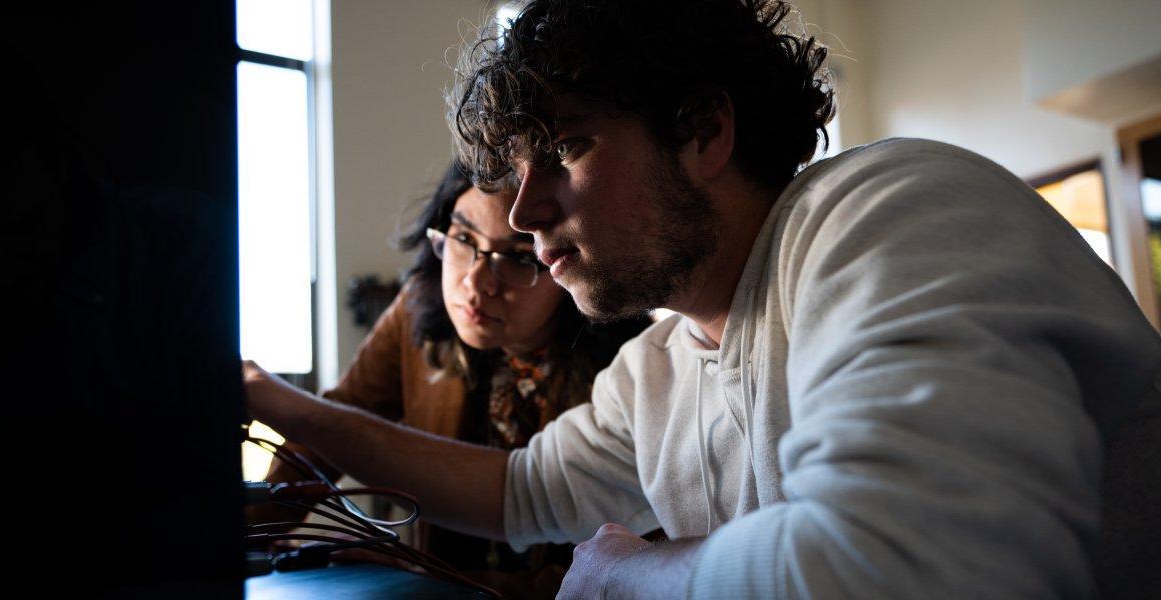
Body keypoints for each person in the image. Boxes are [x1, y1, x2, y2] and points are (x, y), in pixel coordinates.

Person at [247, 1, 1161, 597]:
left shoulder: (890, 210)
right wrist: (270, 399)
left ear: (703, 131)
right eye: (514, 174)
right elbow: (520, 491)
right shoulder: (661, 363)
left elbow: (916, 566)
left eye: (564, 149)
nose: (526, 213)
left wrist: (625, 579)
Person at [245, 162, 650, 598]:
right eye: (462, 239)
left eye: (517, 257)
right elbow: (326, 436)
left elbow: (631, 569)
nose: (475, 283)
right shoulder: (417, 312)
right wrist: (248, 535)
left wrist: (425, 572)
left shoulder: (633, 370)